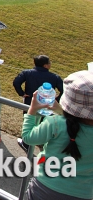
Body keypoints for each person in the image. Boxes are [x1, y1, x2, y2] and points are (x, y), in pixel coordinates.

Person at [22, 69, 93, 200]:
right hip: (83, 193)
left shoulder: (54, 123)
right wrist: (60, 111)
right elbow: (78, 124)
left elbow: (28, 137)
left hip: (44, 188)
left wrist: (33, 110)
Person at [13, 55, 64, 152]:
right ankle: (41, 142)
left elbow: (16, 82)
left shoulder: (27, 73)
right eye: (49, 62)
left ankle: (27, 144)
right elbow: (63, 90)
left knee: (29, 123)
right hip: (47, 107)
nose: (50, 64)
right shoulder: (55, 77)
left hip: (30, 104)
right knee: (44, 124)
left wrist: (22, 93)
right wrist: (57, 99)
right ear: (45, 65)